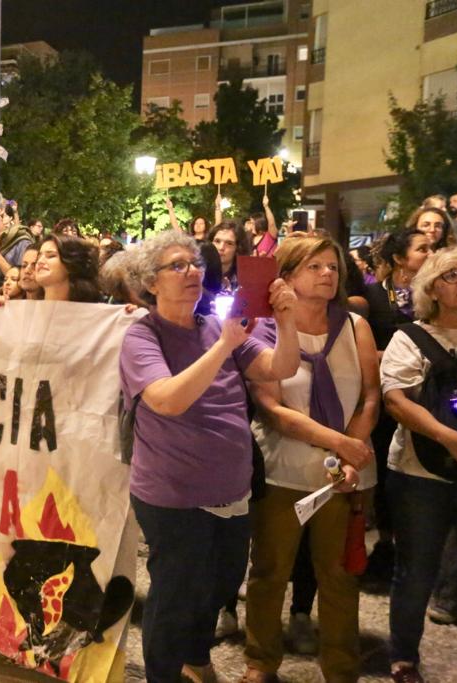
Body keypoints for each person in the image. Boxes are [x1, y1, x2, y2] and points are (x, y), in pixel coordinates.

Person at [120, 229, 299, 683]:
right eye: (176, 265)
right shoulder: (142, 335)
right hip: (172, 492)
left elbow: (281, 368)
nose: (191, 272)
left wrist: (288, 319)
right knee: (175, 594)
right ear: (151, 282)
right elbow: (167, 399)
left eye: (194, 263)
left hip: (230, 488)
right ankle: (163, 673)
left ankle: (196, 657)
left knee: (219, 586)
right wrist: (224, 346)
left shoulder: (215, 326)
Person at [243, 235, 380, 683]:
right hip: (284, 468)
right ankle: (260, 662)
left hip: (344, 475)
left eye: (333, 267)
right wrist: (339, 443)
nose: (328, 274)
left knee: (339, 576)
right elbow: (273, 408)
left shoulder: (355, 326)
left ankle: (341, 668)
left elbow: (371, 396)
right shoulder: (265, 329)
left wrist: (352, 453)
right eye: (315, 267)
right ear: (287, 276)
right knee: (269, 572)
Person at [380, 246, 457, 683]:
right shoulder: (409, 337)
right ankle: (404, 658)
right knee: (415, 571)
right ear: (431, 287)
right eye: (453, 275)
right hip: (418, 474)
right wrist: (449, 438)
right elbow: (396, 401)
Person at [363, 228, 433, 582]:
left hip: (428, 396)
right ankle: (386, 543)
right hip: (383, 396)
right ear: (399, 259)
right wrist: (393, 357)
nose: (430, 253)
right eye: (422, 249)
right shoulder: (372, 296)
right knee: (387, 471)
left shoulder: (434, 298)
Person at [208, 222, 252, 292]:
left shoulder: (246, 278)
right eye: (217, 241)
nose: (221, 247)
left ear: (238, 248)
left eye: (229, 243)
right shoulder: (199, 274)